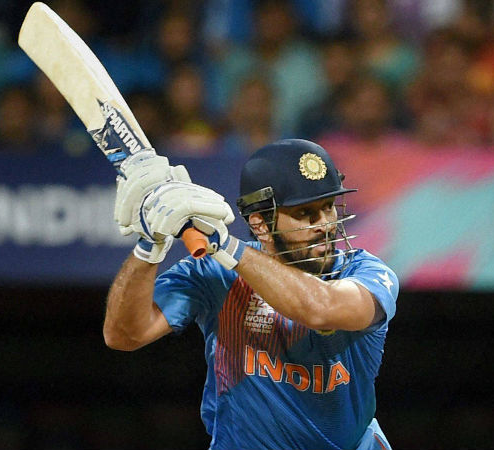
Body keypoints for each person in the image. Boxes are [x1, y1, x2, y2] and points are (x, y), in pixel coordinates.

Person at [103, 138, 399, 450]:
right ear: (260, 225)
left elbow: (322, 309)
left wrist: (228, 246)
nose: (325, 224)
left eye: (328, 207)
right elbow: (124, 335)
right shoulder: (216, 273)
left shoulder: (367, 271)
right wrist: (150, 246)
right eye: (305, 213)